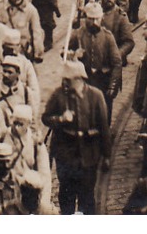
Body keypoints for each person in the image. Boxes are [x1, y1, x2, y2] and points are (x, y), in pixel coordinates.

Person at [43, 60, 107, 215]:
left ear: (79, 79)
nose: (64, 82)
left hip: (89, 155)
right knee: (66, 196)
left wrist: (107, 156)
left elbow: (104, 127)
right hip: (66, 156)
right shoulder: (58, 95)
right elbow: (45, 118)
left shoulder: (95, 96)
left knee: (87, 197)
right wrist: (60, 119)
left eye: (68, 79)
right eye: (64, 79)